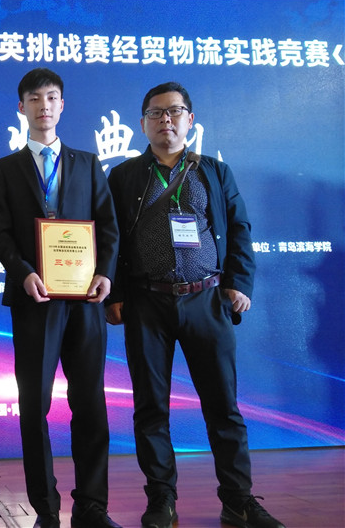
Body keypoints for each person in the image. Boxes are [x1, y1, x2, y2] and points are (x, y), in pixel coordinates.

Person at [105, 82, 285, 528]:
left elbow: (239, 230)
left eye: (174, 111)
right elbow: (111, 239)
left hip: (207, 299)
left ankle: (238, 500)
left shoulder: (214, 172)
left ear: (190, 120)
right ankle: (161, 500)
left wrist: (239, 283)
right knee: (151, 408)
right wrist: (117, 294)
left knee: (223, 406)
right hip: (146, 303)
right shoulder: (124, 176)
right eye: (156, 113)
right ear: (142, 123)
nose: (165, 120)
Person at [0, 68, 121, 528]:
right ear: (21, 108)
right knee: (34, 407)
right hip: (35, 300)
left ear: (61, 106)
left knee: (91, 403)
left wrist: (105, 274)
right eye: (34, 98)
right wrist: (23, 273)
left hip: (85, 301)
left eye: (51, 98)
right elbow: (0, 234)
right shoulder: (5, 169)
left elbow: (108, 227)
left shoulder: (88, 163)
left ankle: (92, 505)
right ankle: (45, 508)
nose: (43, 106)